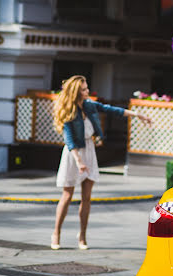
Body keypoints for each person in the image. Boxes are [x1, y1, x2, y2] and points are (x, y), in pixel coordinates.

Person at [51, 75, 151, 250]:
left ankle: (82, 235)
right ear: (75, 92)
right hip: (73, 155)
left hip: (89, 151)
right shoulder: (69, 111)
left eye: (87, 88)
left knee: (87, 198)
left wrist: (138, 115)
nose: (87, 91)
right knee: (67, 196)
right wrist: (79, 161)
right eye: (84, 89)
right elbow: (70, 141)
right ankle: (56, 233)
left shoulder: (89, 105)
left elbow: (112, 110)